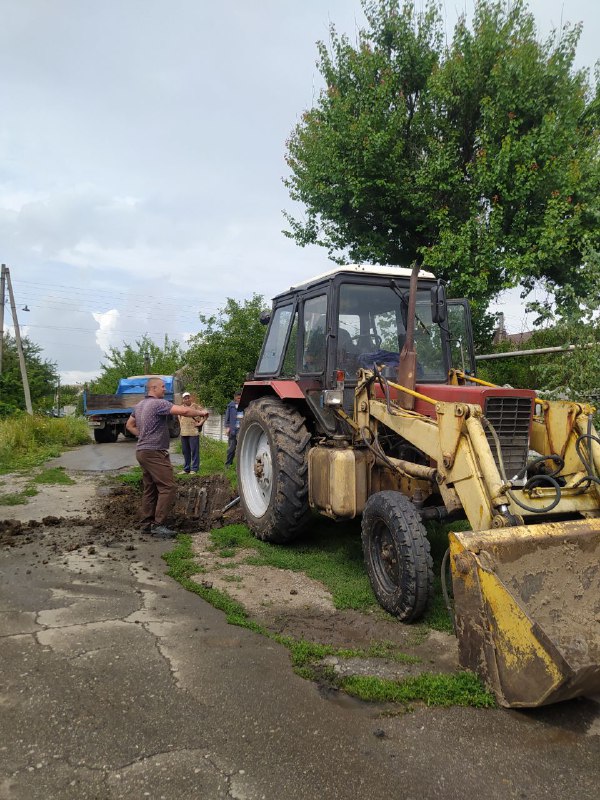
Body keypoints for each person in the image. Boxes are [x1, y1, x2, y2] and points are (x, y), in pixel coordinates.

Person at [125, 377, 209, 538]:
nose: (165, 389)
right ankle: (158, 525)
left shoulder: (140, 405)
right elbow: (184, 411)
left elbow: (129, 425)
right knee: (168, 487)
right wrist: (201, 412)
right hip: (155, 452)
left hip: (142, 451)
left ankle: (146, 523)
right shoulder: (158, 404)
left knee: (150, 488)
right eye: (163, 387)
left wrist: (142, 436)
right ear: (153, 388)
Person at [178, 391, 207, 474]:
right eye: (185, 398)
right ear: (183, 400)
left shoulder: (196, 406)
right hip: (183, 432)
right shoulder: (181, 407)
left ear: (190, 398)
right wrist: (181, 424)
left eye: (188, 397)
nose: (187, 399)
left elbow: (205, 414)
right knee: (185, 451)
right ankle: (186, 468)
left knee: (194, 451)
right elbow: (178, 417)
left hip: (193, 432)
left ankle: (194, 469)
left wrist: (200, 423)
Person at [224, 391, 243, 466]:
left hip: (241, 430)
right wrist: (227, 427)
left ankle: (240, 466)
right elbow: (227, 418)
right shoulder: (230, 406)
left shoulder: (244, 405)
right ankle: (228, 464)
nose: (239, 399)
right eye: (238, 398)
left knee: (241, 449)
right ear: (235, 397)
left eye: (240, 398)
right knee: (231, 449)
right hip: (233, 430)